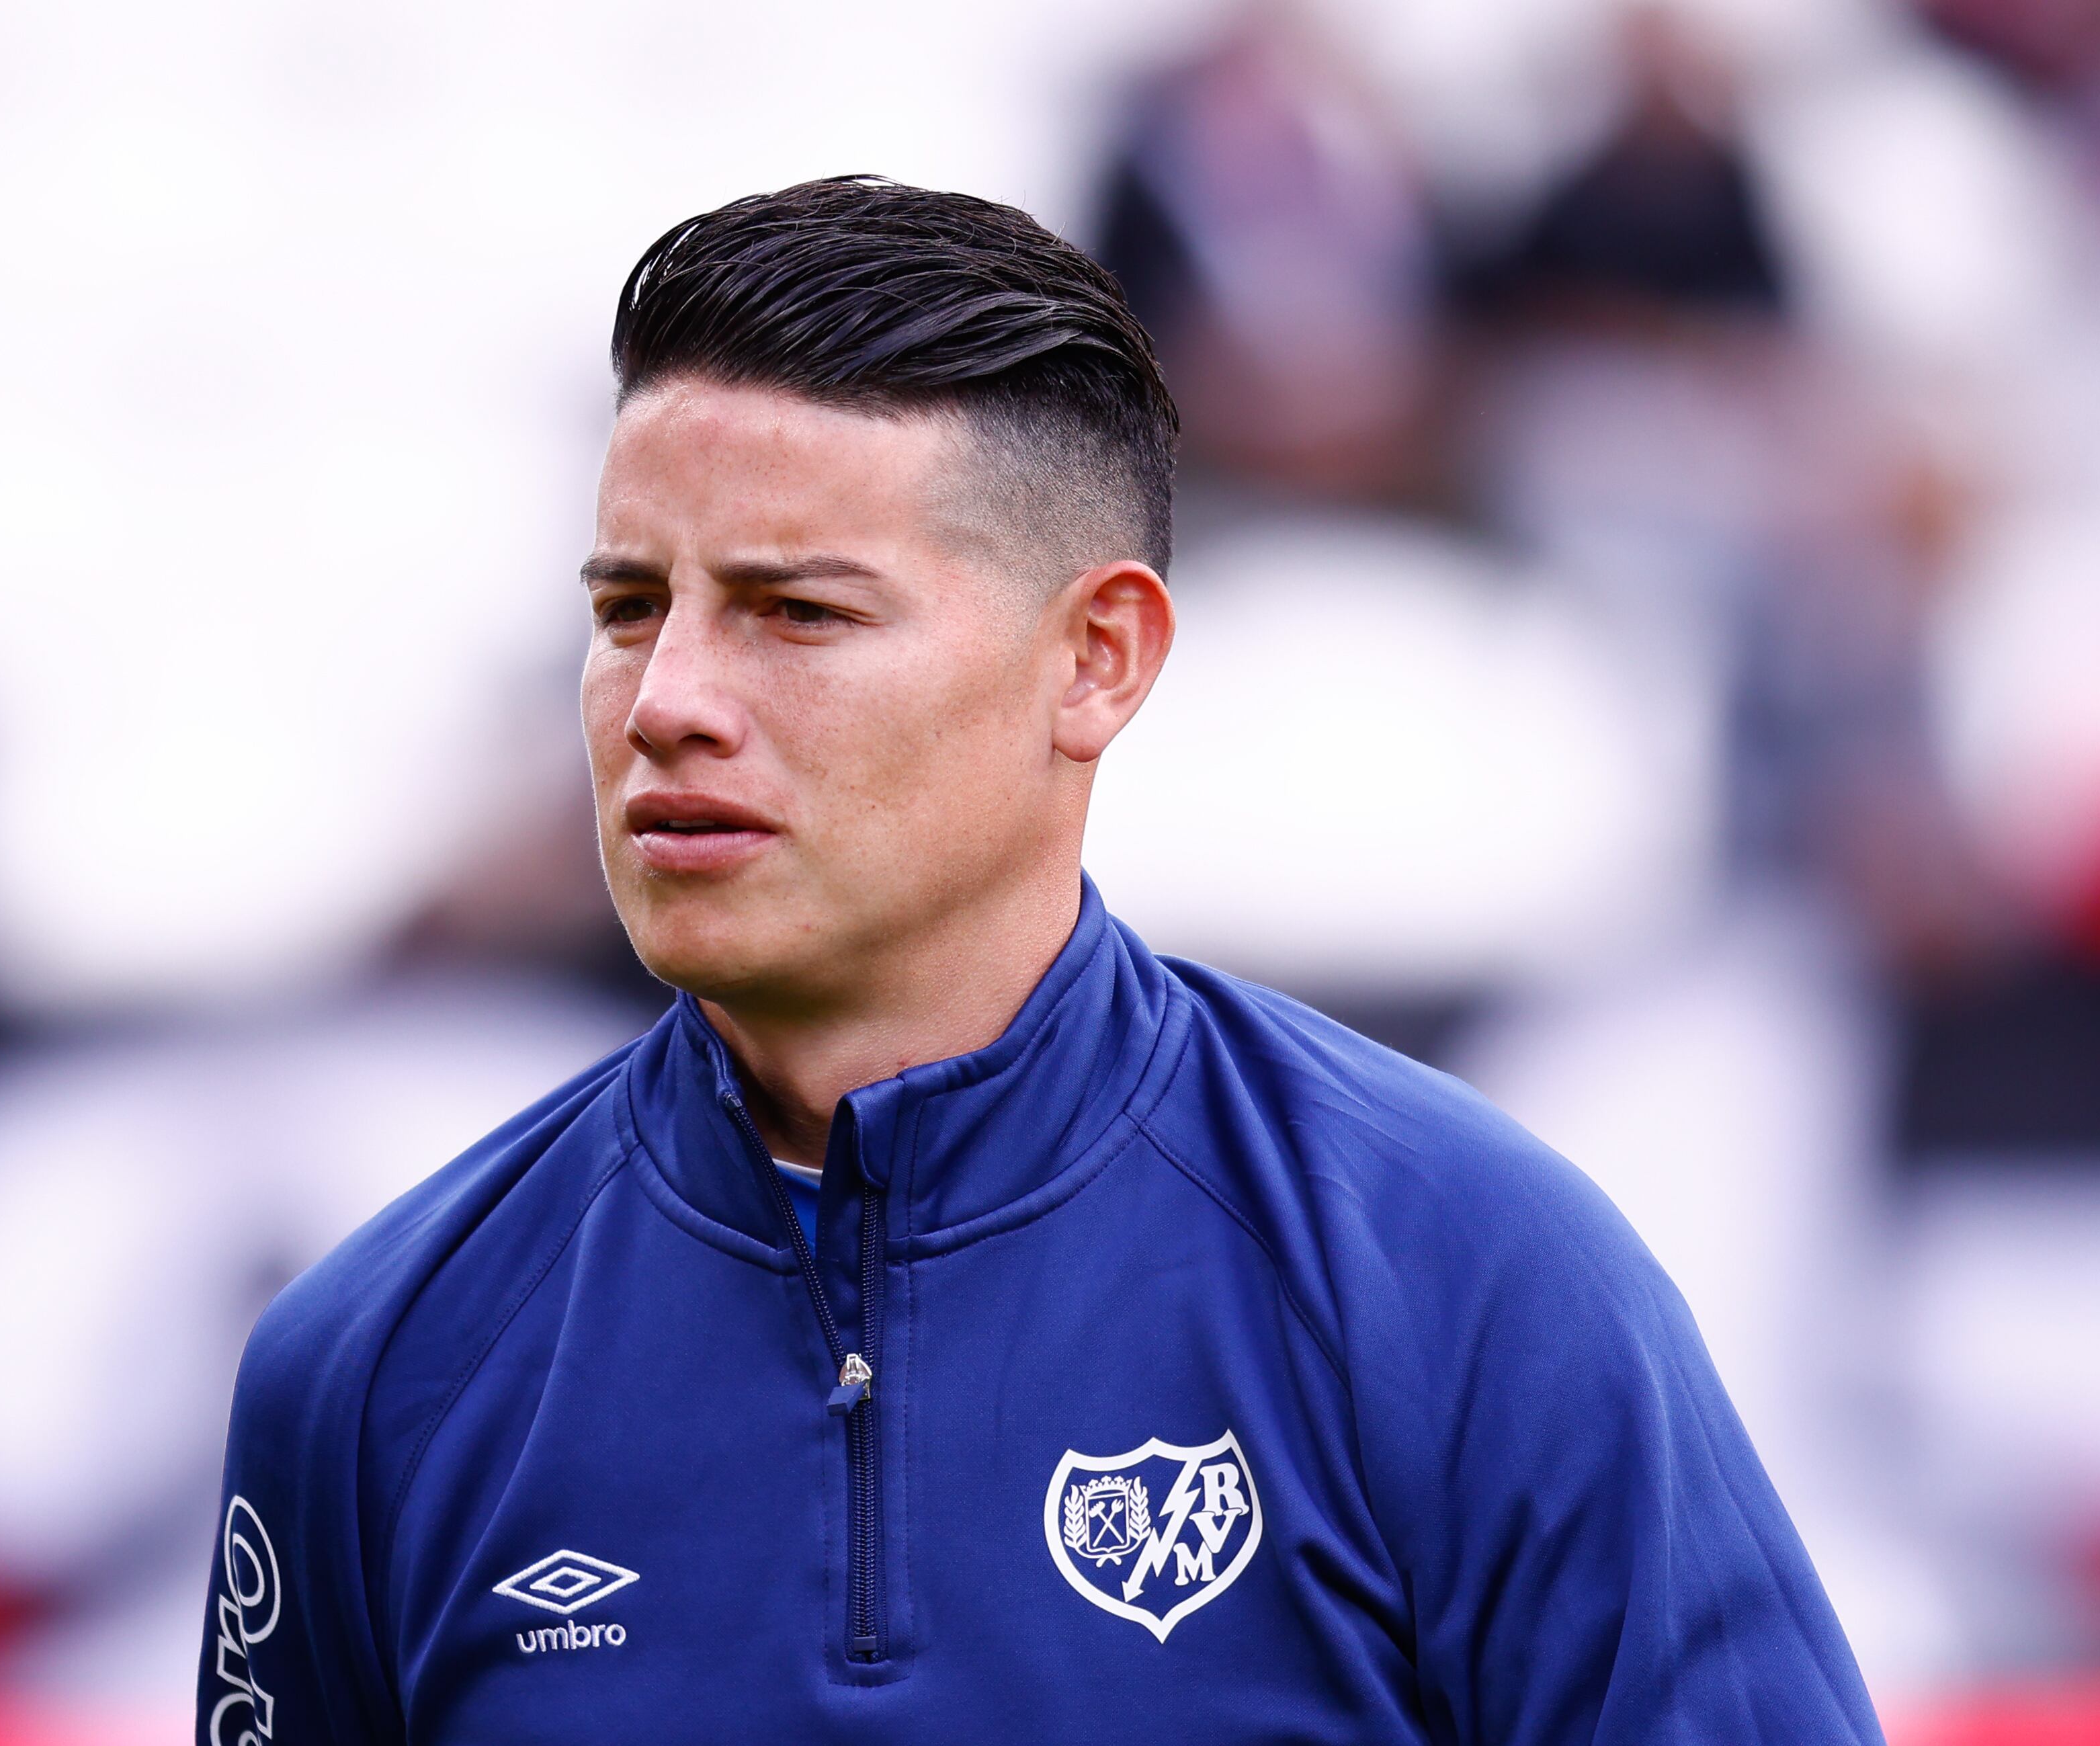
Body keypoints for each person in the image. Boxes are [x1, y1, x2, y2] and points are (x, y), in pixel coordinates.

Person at [198, 175, 1881, 1744]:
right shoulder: (375, 1364)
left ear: (1095, 659)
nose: (666, 702)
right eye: (630, 606)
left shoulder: (1465, 1282)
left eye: (797, 613)